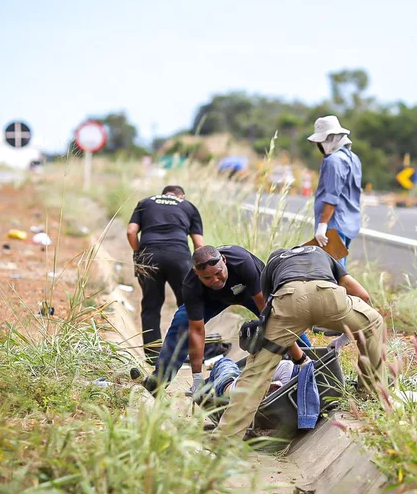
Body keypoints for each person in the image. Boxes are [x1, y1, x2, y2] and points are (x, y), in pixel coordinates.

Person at [214, 245, 387, 441]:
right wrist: (345, 337)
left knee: (256, 374)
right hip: (328, 295)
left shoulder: (272, 264)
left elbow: (268, 311)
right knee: (373, 323)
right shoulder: (321, 253)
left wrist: (296, 356)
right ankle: (369, 395)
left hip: (288, 300)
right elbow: (363, 296)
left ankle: (223, 440)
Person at [145, 244, 311, 396]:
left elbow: (267, 312)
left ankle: (314, 363)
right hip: (213, 299)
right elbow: (196, 331)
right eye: (207, 278)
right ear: (197, 274)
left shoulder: (242, 263)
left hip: (251, 291)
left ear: (224, 261)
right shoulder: (191, 285)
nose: (215, 280)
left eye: (219, 273)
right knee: (182, 321)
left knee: (281, 317)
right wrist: (197, 377)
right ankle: (158, 382)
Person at [127, 185, 204, 364]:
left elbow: (131, 231)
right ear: (181, 196)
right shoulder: (188, 206)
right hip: (179, 256)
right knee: (187, 304)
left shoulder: (145, 202)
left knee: (151, 305)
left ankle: (153, 356)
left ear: (163, 195)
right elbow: (199, 244)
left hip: (149, 255)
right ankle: (183, 352)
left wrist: (139, 253)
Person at [308, 115, 362, 269]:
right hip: (348, 223)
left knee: (332, 271)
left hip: (334, 224)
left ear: (330, 138)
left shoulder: (334, 161)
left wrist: (322, 225)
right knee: (339, 268)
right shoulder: (353, 158)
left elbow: (332, 196)